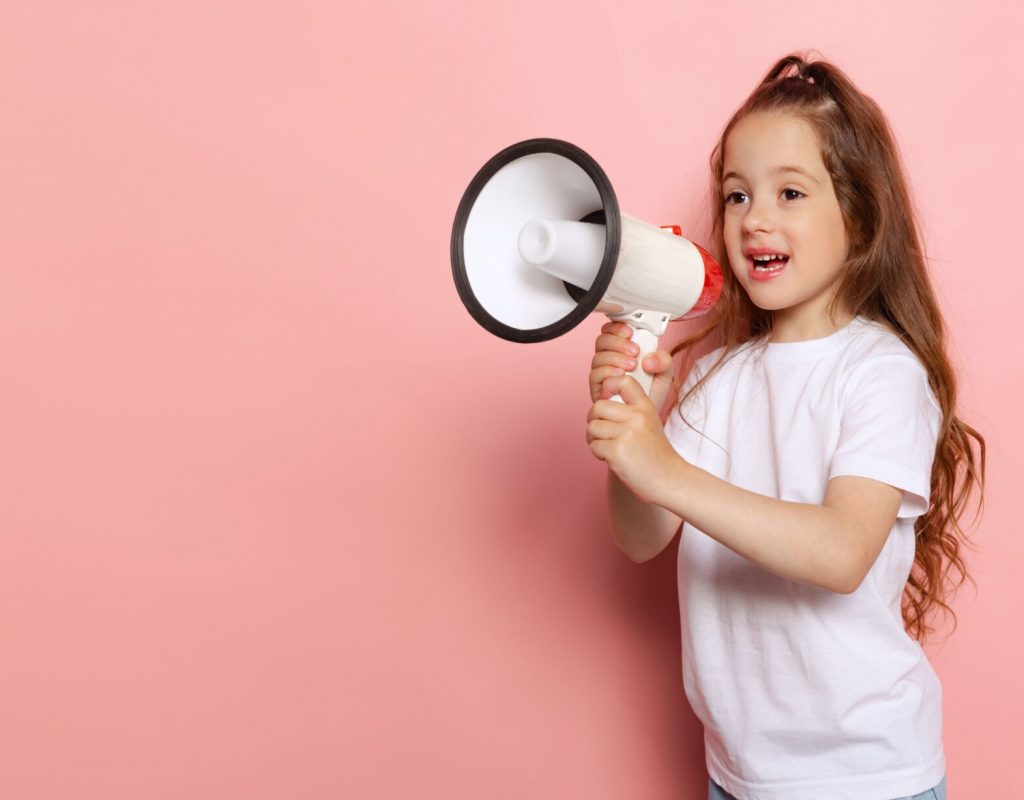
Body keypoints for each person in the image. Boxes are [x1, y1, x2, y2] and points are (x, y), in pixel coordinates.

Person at [585, 53, 985, 800]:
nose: (753, 218)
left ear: (859, 218)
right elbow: (641, 536)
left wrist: (666, 468)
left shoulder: (879, 373)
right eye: (736, 196)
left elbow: (840, 552)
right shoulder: (715, 376)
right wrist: (631, 424)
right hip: (739, 775)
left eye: (789, 192)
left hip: (868, 778)